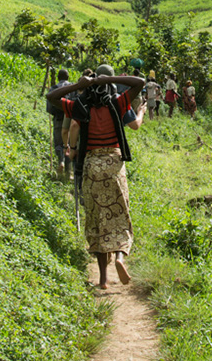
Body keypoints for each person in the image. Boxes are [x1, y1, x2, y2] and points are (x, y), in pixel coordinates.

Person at [46, 64, 146, 289]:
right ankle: (120, 259)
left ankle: (102, 278)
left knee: (97, 218)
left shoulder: (81, 108)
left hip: (91, 166)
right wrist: (102, 80)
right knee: (119, 213)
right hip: (113, 164)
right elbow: (139, 84)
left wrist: (79, 85)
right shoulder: (118, 104)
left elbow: (51, 97)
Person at [45, 69, 72, 179]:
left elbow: (49, 107)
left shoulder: (53, 89)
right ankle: (68, 171)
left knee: (58, 142)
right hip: (70, 118)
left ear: (58, 77)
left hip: (58, 119)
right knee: (69, 143)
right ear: (68, 77)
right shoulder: (72, 88)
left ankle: (60, 161)